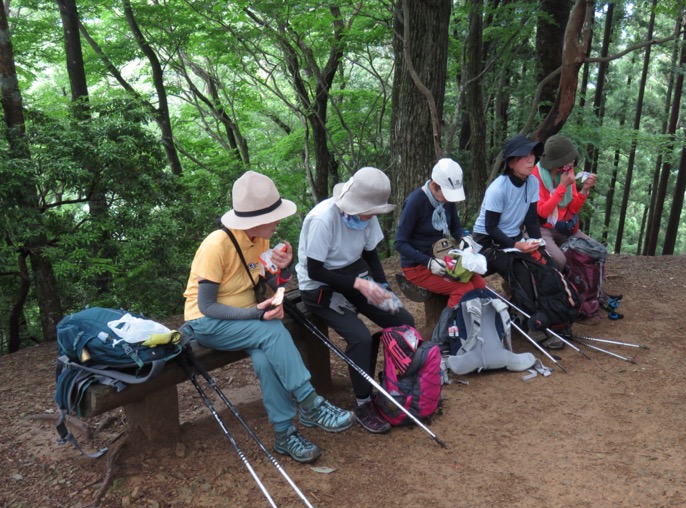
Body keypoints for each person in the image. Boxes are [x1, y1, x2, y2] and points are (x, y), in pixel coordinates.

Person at [183, 171, 355, 464]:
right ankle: (310, 403)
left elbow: (274, 286)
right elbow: (208, 306)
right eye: (274, 216)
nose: (278, 221)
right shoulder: (216, 246)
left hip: (244, 322)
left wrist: (285, 270)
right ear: (254, 220)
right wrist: (256, 314)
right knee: (272, 331)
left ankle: (284, 434)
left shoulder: (261, 241)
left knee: (266, 357)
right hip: (207, 323)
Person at [296, 167, 416, 434]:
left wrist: (382, 286)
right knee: (359, 337)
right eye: (369, 212)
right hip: (319, 286)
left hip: (355, 274)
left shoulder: (367, 214)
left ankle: (396, 383)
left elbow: (371, 254)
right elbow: (314, 270)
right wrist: (358, 284)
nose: (371, 216)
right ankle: (363, 402)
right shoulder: (322, 220)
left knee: (403, 320)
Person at [471, 134, 565, 349]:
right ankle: (535, 327)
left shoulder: (531, 182)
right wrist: (516, 246)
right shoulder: (498, 188)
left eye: (532, 154)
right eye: (524, 156)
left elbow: (531, 219)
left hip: (512, 238)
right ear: (512, 163)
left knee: (546, 265)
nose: (531, 159)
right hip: (487, 243)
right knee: (521, 269)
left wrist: (539, 245)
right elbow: (490, 227)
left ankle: (550, 319)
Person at [394, 158, 486, 348]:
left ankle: (470, 330)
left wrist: (464, 238)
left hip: (444, 258)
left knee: (478, 283)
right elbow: (400, 243)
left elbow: (455, 227)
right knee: (463, 289)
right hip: (417, 265)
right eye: (444, 193)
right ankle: (441, 339)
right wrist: (428, 263)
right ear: (434, 185)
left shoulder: (447, 200)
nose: (447, 199)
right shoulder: (415, 202)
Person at [532, 135, 598, 271]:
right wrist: (562, 186)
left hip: (564, 226)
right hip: (542, 227)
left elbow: (573, 209)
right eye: (569, 159)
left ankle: (579, 284)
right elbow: (542, 212)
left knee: (596, 250)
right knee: (559, 261)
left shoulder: (568, 171)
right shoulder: (535, 175)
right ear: (557, 162)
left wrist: (584, 190)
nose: (572, 162)